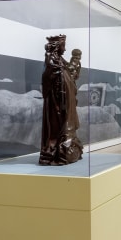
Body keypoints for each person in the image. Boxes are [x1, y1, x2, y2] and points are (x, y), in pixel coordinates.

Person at [39, 35, 83, 165]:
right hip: (56, 101)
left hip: (64, 100)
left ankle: (65, 145)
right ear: (57, 46)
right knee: (56, 124)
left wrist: (74, 64)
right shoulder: (51, 60)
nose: (65, 48)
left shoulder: (60, 60)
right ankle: (55, 149)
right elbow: (48, 76)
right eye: (63, 45)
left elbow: (70, 72)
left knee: (65, 122)